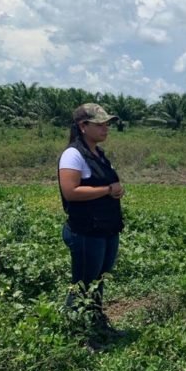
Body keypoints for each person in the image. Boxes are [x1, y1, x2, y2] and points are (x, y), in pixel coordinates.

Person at [58, 103, 125, 345]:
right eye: (100, 124)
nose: (105, 128)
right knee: (83, 284)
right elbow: (71, 191)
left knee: (99, 281)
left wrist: (114, 191)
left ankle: (96, 326)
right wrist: (108, 189)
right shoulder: (73, 155)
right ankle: (77, 334)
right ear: (82, 126)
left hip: (106, 229)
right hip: (86, 231)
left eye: (107, 124)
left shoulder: (99, 154)